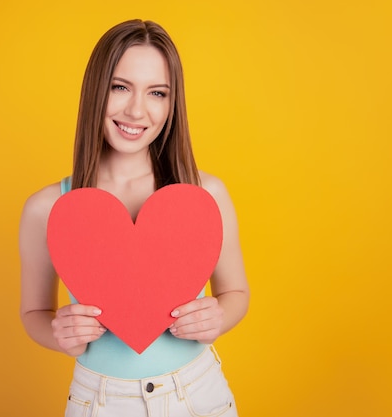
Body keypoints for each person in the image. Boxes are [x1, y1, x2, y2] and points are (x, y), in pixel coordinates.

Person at [19, 19, 249, 416]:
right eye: (120, 87)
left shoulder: (205, 195)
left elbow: (236, 294)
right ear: (96, 91)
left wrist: (218, 317)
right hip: (100, 401)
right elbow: (34, 313)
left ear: (171, 104)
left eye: (157, 92)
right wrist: (61, 335)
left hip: (196, 394)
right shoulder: (47, 208)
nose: (137, 109)